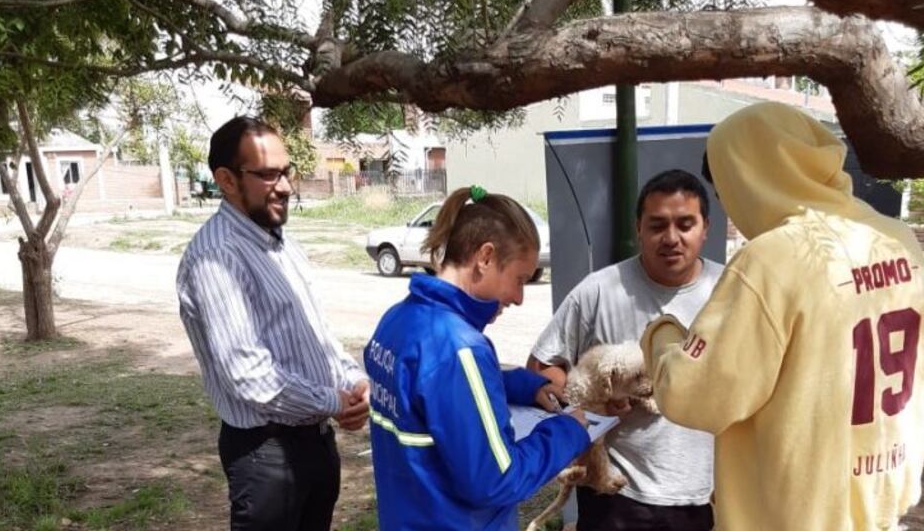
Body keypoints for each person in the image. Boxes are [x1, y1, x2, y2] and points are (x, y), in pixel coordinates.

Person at [642, 102, 924, 530]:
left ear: (751, 178)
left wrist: (661, 336)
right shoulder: (896, 237)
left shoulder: (774, 258)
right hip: (879, 503)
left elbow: (695, 395)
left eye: (724, 190)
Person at [176, 116, 369, 531]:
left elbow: (315, 336)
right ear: (226, 180)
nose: (284, 185)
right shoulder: (217, 257)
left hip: (314, 443)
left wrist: (353, 382)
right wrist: (334, 402)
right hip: (267, 457)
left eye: (286, 171)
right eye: (267, 174)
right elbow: (250, 375)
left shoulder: (281, 241)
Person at [366, 185, 591, 530]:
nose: (518, 298)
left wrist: (523, 386)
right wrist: (569, 431)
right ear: (485, 257)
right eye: (519, 279)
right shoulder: (460, 348)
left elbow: (438, 395)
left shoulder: (398, 321)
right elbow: (496, 480)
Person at [528, 169, 722, 531]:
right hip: (615, 496)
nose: (671, 238)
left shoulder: (728, 292)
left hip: (699, 494)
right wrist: (585, 407)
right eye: (657, 225)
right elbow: (541, 369)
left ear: (705, 227)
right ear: (638, 228)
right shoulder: (599, 291)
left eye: (685, 224)